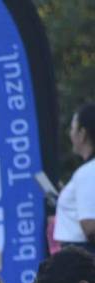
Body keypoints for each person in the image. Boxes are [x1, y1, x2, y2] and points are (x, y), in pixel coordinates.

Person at [53, 103, 95, 252]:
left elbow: (90, 227)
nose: (70, 133)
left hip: (82, 256)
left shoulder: (87, 172)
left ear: (82, 134)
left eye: (73, 128)